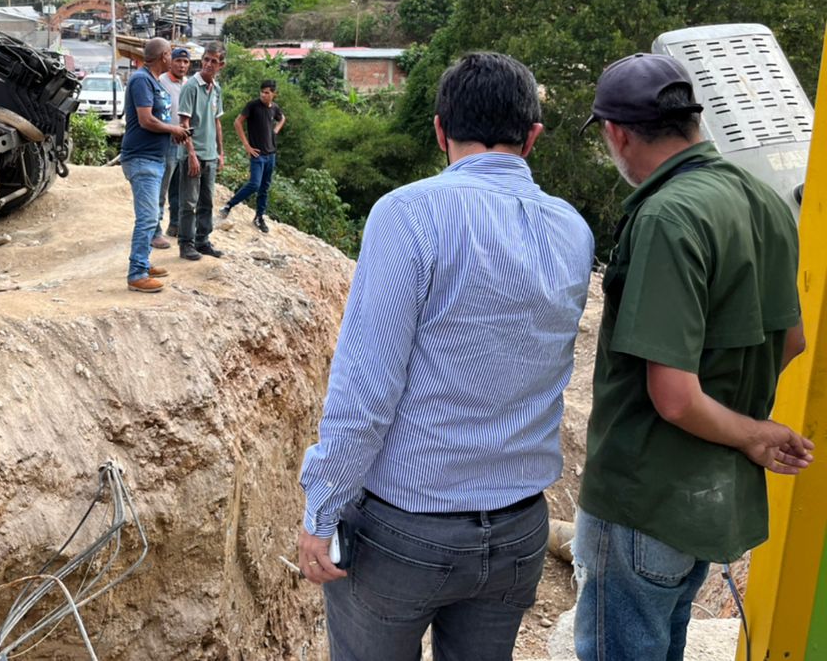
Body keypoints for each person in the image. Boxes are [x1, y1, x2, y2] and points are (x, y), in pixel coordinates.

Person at [298, 52, 595, 661]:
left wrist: (321, 511)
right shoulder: (572, 228)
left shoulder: (407, 215)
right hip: (519, 532)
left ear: (440, 130)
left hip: (405, 533)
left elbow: (367, 390)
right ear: (533, 137)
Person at [573, 53, 811, 661]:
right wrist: (740, 422)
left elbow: (673, 395)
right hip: (705, 503)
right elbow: (791, 339)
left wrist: (752, 433)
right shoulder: (761, 200)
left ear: (617, 134)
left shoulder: (666, 216)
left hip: (642, 500)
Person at [120, 37, 190, 293]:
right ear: (163, 57)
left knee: (150, 216)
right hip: (141, 158)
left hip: (154, 158)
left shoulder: (152, 81)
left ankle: (143, 263)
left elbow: (155, 119)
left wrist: (174, 131)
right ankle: (136, 274)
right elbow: (146, 120)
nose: (173, 59)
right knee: (148, 217)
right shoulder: (141, 80)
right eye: (171, 54)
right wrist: (172, 128)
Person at [176, 42, 226, 262]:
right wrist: (192, 154)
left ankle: (202, 241)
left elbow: (217, 123)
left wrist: (221, 152)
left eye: (213, 61)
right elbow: (184, 123)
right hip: (192, 155)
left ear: (221, 65)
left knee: (207, 201)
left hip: (211, 155)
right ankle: (185, 243)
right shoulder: (191, 87)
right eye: (206, 59)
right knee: (189, 202)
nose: (208, 64)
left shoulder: (216, 90)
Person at [219, 79, 284, 233]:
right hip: (257, 153)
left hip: (271, 154)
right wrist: (247, 145)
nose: (263, 95)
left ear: (274, 94)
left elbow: (282, 118)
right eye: (262, 91)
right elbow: (237, 122)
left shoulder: (274, 108)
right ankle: (229, 205)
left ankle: (259, 217)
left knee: (265, 187)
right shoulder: (253, 106)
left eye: (267, 92)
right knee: (254, 184)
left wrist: (276, 130)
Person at [153, 47, 192, 249]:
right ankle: (154, 229)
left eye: (185, 62)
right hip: (167, 140)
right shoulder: (161, 82)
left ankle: (175, 225)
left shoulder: (188, 84)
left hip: (184, 141)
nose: (182, 65)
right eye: (178, 61)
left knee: (179, 187)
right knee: (162, 186)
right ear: (171, 62)